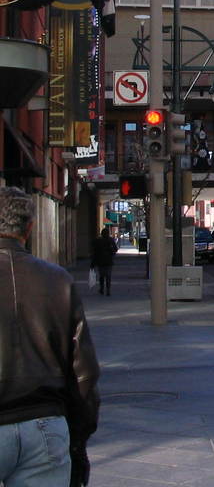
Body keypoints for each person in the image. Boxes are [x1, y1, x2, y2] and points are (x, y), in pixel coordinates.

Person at [0, 186, 100, 487]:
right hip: (44, 424)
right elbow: (84, 372)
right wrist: (78, 438)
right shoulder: (57, 280)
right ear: (29, 228)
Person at [91, 226, 118, 296]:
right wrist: (111, 252)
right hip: (109, 261)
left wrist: (93, 262)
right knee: (108, 276)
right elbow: (115, 249)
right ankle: (108, 290)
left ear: (102, 233)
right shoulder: (111, 240)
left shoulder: (98, 240)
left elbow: (95, 251)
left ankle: (102, 289)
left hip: (100, 261)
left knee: (101, 276)